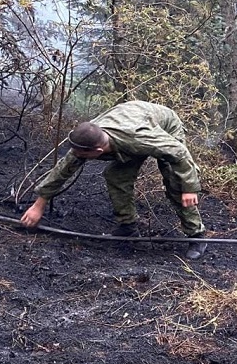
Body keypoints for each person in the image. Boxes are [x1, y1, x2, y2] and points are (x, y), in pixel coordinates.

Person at [20, 100, 208, 260]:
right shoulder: (88, 137)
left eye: (81, 155)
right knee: (117, 176)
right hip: (132, 122)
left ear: (98, 151)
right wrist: (39, 205)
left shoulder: (139, 139)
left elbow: (179, 153)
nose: (76, 156)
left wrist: (189, 188)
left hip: (162, 124)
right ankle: (128, 227)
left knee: (176, 181)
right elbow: (63, 169)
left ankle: (196, 234)